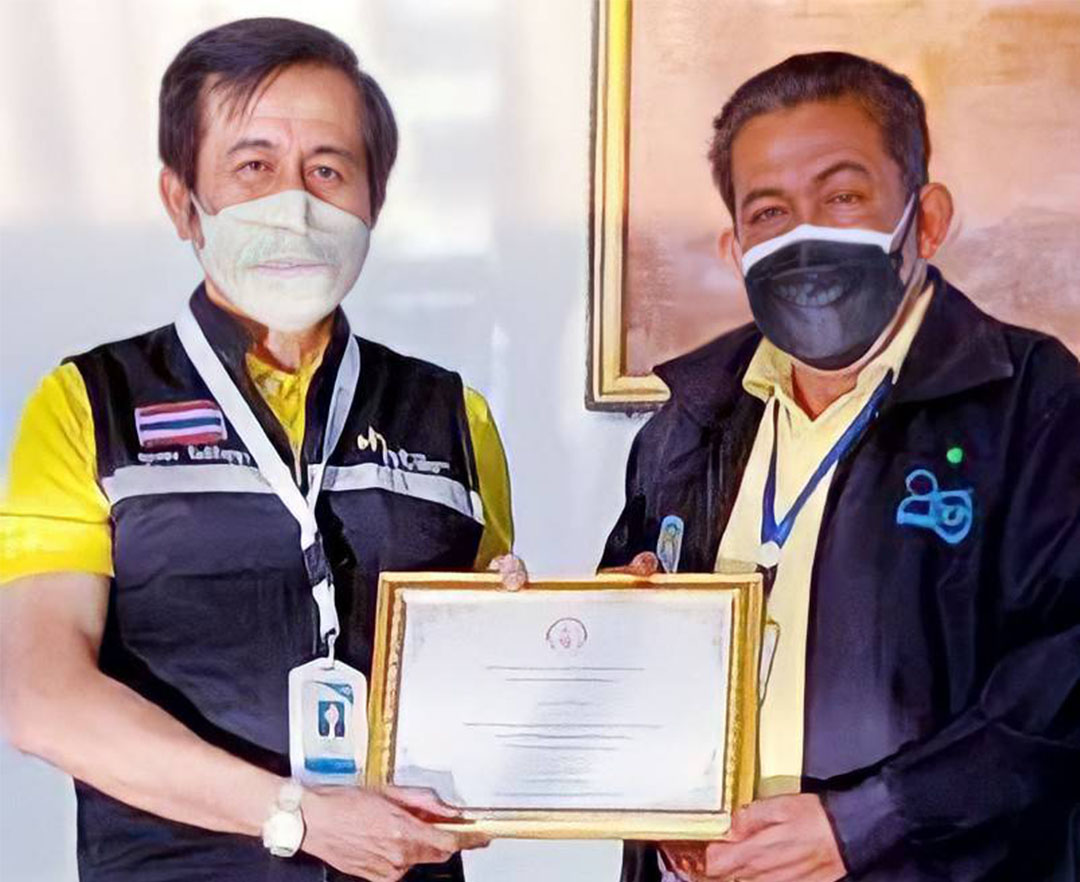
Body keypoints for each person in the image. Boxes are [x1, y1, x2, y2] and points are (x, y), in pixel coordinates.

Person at [0, 17, 517, 882]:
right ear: (181, 202)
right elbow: (42, 697)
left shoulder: (453, 415)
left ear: (374, 203)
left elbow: (479, 690)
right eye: (254, 166)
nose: (296, 203)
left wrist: (556, 634)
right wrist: (295, 817)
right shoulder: (90, 404)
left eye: (328, 169)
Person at [604, 52, 1080, 881]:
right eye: (769, 211)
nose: (805, 236)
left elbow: (1062, 681)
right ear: (734, 247)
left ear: (926, 220)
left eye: (844, 197)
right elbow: (623, 627)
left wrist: (861, 824)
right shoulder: (689, 419)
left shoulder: (1033, 401)